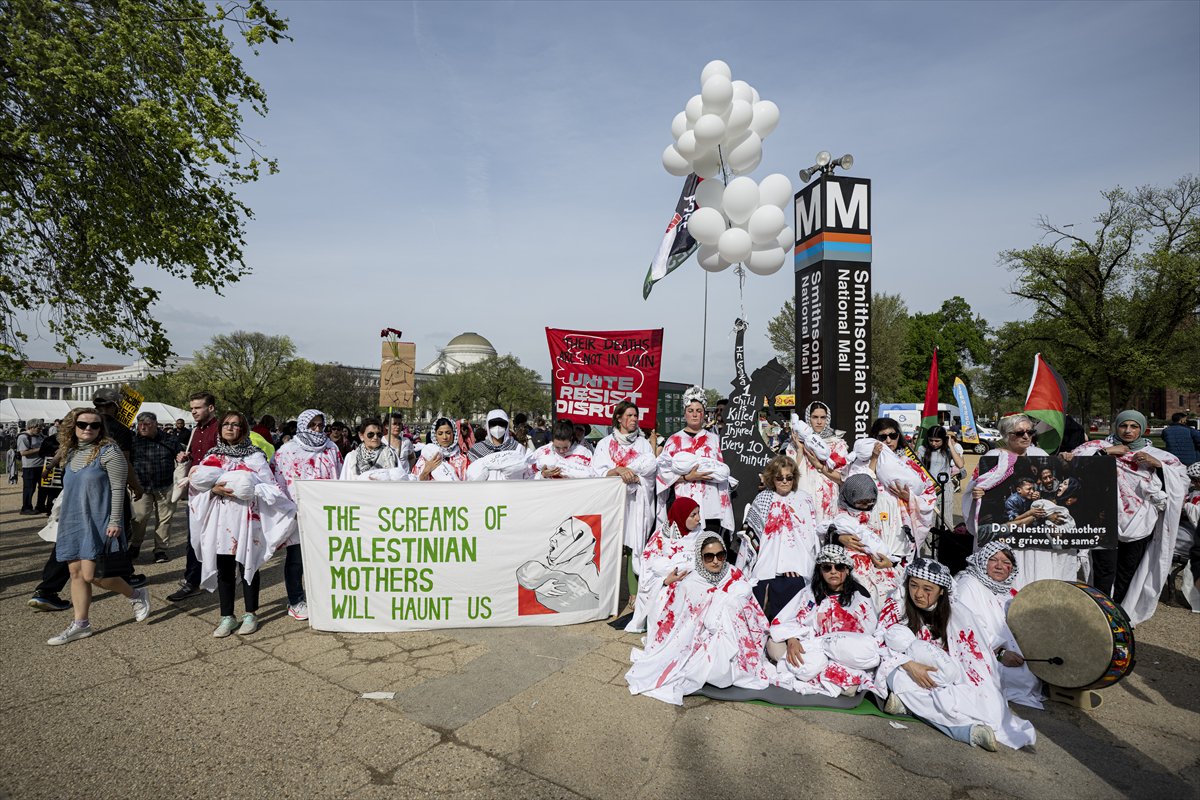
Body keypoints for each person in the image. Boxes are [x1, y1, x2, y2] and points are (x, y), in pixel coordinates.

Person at [877, 558, 1036, 751]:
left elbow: (977, 648)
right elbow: (879, 643)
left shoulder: (956, 612)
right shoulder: (897, 605)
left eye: (927, 589)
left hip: (945, 670)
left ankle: (908, 706)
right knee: (901, 680)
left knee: (977, 696)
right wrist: (910, 665)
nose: (918, 594)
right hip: (904, 665)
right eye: (913, 585)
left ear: (941, 591)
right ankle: (968, 731)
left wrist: (997, 656)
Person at [1064, 409, 1187, 624]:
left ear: (1142, 429)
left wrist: (1158, 466)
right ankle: (1099, 614)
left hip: (1140, 524)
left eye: (1134, 426)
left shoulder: (1161, 456)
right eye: (1123, 426)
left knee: (1127, 571)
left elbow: (1180, 481)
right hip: (1103, 520)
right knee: (1103, 571)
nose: (1128, 431)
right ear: (1116, 427)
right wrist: (1106, 453)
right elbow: (1072, 470)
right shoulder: (1097, 447)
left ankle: (1119, 615)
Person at [625, 533, 775, 705]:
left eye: (721, 555)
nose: (716, 561)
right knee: (709, 670)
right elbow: (679, 624)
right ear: (700, 558)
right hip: (699, 643)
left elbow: (751, 611)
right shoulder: (690, 584)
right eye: (709, 557)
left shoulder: (734, 574)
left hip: (735, 639)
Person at [45, 408, 151, 645]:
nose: (88, 429)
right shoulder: (71, 451)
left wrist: (115, 520)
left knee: (93, 575)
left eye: (95, 426)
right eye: (83, 424)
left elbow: (117, 488)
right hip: (73, 520)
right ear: (73, 426)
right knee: (75, 573)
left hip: (98, 520)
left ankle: (136, 595)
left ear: (101, 428)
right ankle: (81, 624)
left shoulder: (109, 451)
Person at [188, 411, 296, 637]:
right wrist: (213, 489)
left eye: (235, 425)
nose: (230, 428)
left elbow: (270, 487)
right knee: (224, 568)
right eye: (226, 424)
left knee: (249, 565)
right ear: (220, 429)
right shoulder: (211, 456)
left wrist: (248, 489)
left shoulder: (255, 456)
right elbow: (195, 487)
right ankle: (227, 616)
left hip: (247, 519)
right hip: (219, 519)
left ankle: (250, 614)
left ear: (243, 429)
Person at [965, 413, 1078, 586]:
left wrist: (1066, 459)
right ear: (1007, 434)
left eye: (1030, 432)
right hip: (1009, 540)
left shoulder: (1038, 453)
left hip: (1036, 542)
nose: (1026, 436)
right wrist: (976, 495)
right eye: (1019, 433)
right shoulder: (992, 458)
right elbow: (976, 490)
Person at [766, 544, 882, 697]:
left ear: (847, 569)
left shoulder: (860, 596)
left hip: (842, 655)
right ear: (820, 571)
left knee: (849, 689)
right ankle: (812, 669)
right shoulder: (809, 592)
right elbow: (786, 620)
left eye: (839, 567)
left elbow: (866, 637)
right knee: (773, 644)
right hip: (808, 645)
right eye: (827, 567)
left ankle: (810, 672)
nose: (833, 572)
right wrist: (791, 638)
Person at [953, 543, 1043, 709]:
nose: (1000, 566)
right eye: (993, 560)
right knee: (1020, 678)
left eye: (1006, 563)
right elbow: (964, 628)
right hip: (976, 653)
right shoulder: (969, 584)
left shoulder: (1006, 591)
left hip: (1002, 652)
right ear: (982, 562)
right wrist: (999, 653)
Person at [274, 408, 343, 621]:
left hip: (325, 513)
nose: (317, 429)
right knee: (296, 559)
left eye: (321, 425)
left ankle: (321, 597)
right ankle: (295, 600)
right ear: (303, 425)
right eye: (312, 425)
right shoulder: (287, 450)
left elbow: (340, 477)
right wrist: (288, 509)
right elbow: (278, 482)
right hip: (297, 513)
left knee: (324, 558)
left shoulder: (331, 448)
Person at [743, 455, 822, 619]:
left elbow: (811, 534)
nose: (785, 481)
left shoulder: (805, 498)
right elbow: (751, 536)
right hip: (766, 566)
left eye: (789, 477)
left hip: (800, 566)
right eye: (779, 478)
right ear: (772, 478)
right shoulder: (763, 498)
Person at [656, 386, 734, 538]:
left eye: (699, 411)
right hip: (683, 504)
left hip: (710, 505)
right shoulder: (673, 440)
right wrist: (687, 477)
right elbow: (662, 476)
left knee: (708, 545)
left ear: (704, 413)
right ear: (684, 413)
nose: (695, 414)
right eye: (690, 410)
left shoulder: (714, 440)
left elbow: (722, 471)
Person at [592, 402, 658, 578]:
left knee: (634, 546)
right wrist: (617, 471)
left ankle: (633, 595)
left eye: (636, 415)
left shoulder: (643, 444)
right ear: (619, 418)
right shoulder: (605, 444)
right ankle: (607, 591)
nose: (634, 419)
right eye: (629, 415)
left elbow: (650, 472)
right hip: (612, 505)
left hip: (636, 502)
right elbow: (597, 472)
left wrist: (636, 478)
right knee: (610, 546)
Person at [167, 391, 221, 602]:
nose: (193, 412)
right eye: (192, 408)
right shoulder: (194, 431)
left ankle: (222, 576)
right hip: (196, 492)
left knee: (219, 537)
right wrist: (185, 457)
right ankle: (192, 581)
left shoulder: (221, 429)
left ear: (211, 408)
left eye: (197, 408)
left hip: (217, 492)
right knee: (195, 538)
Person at [624, 497, 701, 634]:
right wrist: (665, 581)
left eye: (698, 513)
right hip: (663, 582)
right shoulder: (662, 534)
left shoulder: (700, 534)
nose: (698, 518)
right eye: (693, 515)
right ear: (681, 516)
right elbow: (649, 565)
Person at [130, 411, 184, 563]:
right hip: (141, 487)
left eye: (147, 424)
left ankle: (160, 550)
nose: (143, 427)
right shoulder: (133, 441)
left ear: (155, 424)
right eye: (140, 424)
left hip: (165, 486)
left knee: (164, 520)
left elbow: (181, 457)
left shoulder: (170, 440)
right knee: (139, 517)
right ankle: (135, 545)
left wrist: (183, 457)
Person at [785, 401, 848, 521]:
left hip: (827, 501)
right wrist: (800, 450)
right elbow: (789, 475)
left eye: (823, 417)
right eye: (815, 417)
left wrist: (818, 465)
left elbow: (842, 478)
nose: (819, 422)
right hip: (802, 499)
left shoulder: (836, 444)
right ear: (808, 418)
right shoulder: (794, 444)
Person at [918, 425, 965, 529]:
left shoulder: (948, 450)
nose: (934, 444)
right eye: (931, 440)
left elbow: (960, 464)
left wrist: (950, 445)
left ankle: (944, 543)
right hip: (928, 489)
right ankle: (929, 544)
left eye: (937, 441)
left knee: (945, 519)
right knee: (929, 520)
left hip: (945, 488)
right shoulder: (922, 449)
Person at [466, 409, 531, 480]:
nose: (497, 427)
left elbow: (526, 474)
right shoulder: (477, 450)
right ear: (488, 425)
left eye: (501, 424)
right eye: (493, 424)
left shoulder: (517, 448)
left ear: (506, 426)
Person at [17, 418, 47, 514]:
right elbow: (23, 453)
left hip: (42, 465)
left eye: (41, 428)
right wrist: (40, 449)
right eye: (38, 428)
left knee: (43, 487)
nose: (40, 430)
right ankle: (26, 508)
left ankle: (40, 506)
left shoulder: (40, 435)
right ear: (31, 427)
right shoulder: (23, 437)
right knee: (29, 488)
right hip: (29, 467)